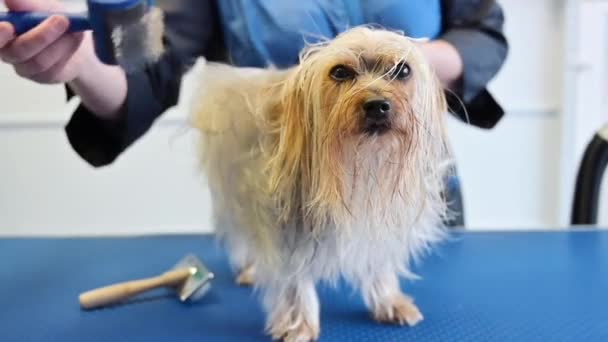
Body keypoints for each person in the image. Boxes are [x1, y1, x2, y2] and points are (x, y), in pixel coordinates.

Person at [0, 0, 508, 168]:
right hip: (273, 180)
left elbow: (480, 32)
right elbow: (147, 56)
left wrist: (404, 62)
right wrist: (83, 61)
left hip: (407, 174)